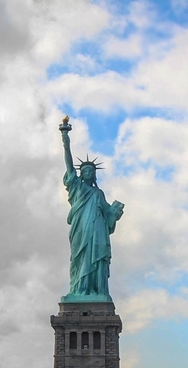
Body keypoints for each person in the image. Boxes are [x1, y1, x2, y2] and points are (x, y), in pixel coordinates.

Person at [60, 117, 124, 299]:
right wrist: (65, 139)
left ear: (94, 175)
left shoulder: (99, 194)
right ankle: (79, 290)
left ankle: (96, 290)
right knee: (79, 259)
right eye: (85, 171)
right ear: (81, 174)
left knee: (96, 258)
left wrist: (116, 212)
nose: (88, 173)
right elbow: (68, 164)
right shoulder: (76, 187)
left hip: (97, 231)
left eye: (91, 171)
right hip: (81, 229)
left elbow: (108, 214)